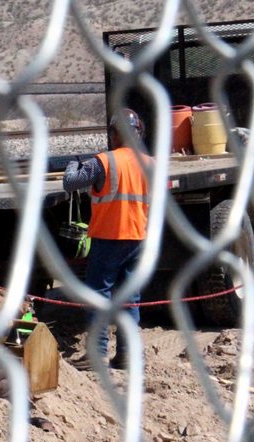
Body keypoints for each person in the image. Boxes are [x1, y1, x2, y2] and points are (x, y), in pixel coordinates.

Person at [62, 108, 152, 371]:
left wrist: (72, 163)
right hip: (138, 237)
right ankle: (127, 354)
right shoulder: (151, 164)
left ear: (114, 135)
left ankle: (98, 353)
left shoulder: (103, 161)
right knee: (130, 298)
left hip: (108, 238)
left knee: (98, 295)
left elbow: (70, 183)